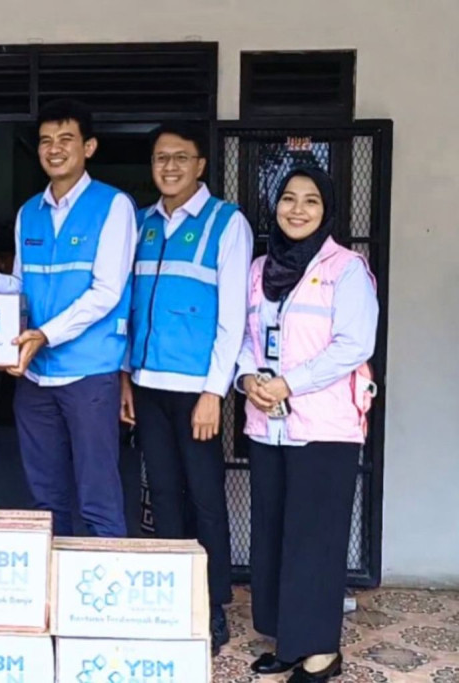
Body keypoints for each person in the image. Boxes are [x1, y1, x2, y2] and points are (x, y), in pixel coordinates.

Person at [0, 99, 135, 537]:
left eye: (66, 140)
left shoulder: (114, 206)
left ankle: (100, 598)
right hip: (36, 379)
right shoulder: (28, 213)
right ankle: (56, 594)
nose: (54, 149)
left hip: (90, 375)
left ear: (89, 147)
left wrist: (43, 334)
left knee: (98, 497)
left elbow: (107, 292)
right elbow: (22, 286)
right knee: (46, 500)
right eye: (45, 141)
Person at [236, 166, 377, 682]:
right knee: (274, 532)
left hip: (325, 427)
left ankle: (321, 651)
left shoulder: (347, 269)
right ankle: (287, 639)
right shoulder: (258, 269)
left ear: (327, 211)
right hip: (267, 422)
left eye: (311, 201)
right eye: (288, 199)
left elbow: (355, 343)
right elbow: (247, 335)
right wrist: (248, 376)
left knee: (314, 538)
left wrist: (290, 383)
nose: (297, 209)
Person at [118, 122, 254, 653]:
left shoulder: (227, 223)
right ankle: (175, 594)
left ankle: (213, 604)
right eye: (159, 157)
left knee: (205, 498)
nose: (168, 166)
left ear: (201, 165)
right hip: (148, 384)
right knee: (164, 495)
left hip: (196, 389)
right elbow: (129, 308)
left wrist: (214, 392)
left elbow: (234, 317)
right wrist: (126, 376)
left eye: (180, 157)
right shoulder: (144, 223)